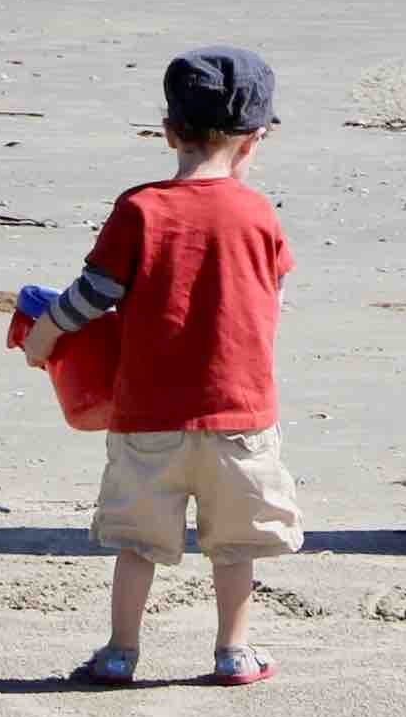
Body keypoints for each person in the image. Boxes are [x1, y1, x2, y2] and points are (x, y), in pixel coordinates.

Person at [25, 45, 302, 684]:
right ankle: (233, 651)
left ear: (169, 131)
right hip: (240, 412)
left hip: (148, 415)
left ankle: (122, 650)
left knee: (137, 542)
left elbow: (93, 294)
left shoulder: (141, 209)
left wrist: (45, 333)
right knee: (234, 546)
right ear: (255, 141)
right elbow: (275, 294)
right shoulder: (258, 213)